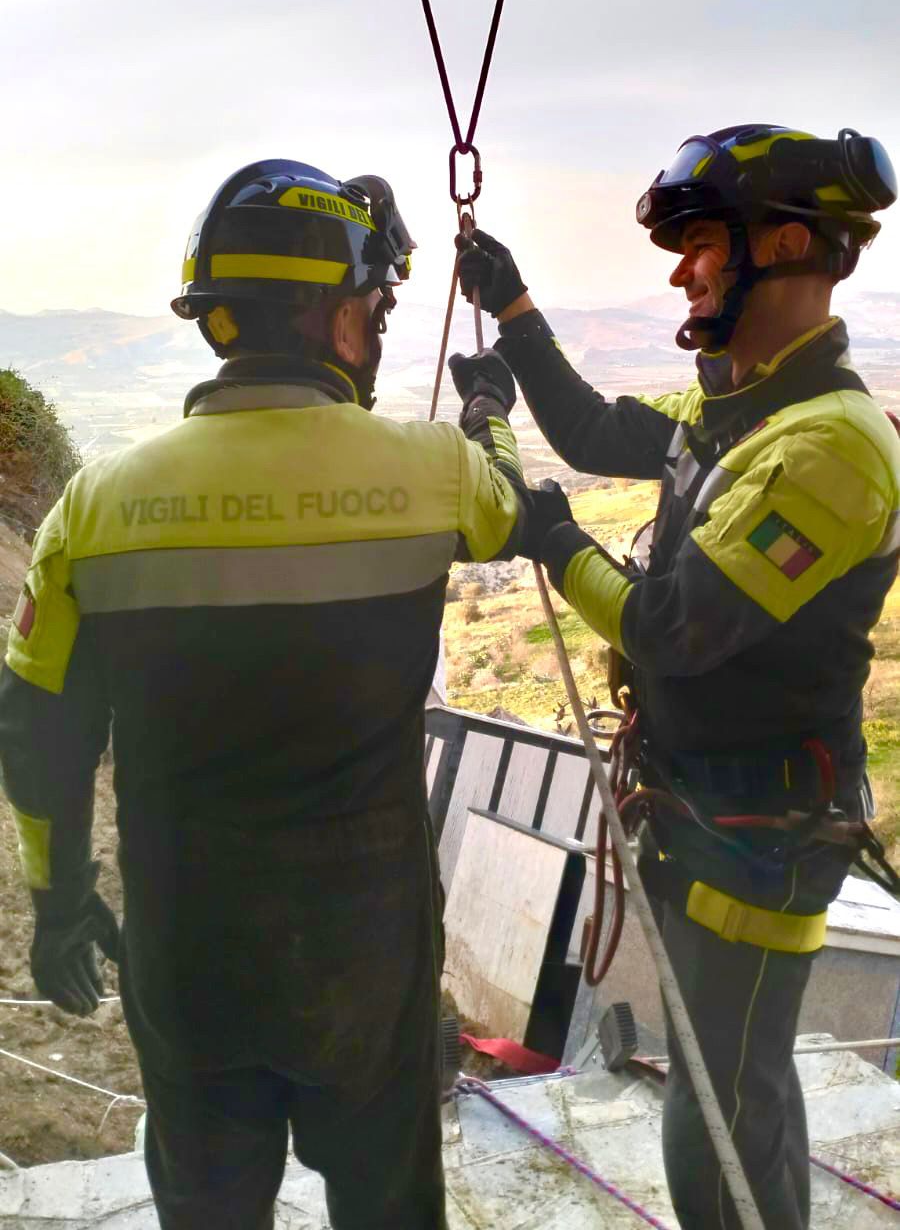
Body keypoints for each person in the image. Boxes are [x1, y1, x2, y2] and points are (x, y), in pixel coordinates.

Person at [0, 158, 539, 1230]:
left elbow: (39, 735)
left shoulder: (94, 506)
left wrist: (59, 900)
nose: (381, 330)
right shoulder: (429, 468)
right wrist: (488, 406)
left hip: (187, 939)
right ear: (333, 313)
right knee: (387, 1206)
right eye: (377, 306)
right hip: (367, 944)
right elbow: (507, 507)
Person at [457, 124, 900, 1230]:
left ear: (787, 244)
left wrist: (553, 541)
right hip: (713, 801)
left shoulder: (830, 446)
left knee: (718, 1104)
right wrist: (515, 314)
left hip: (762, 828)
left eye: (702, 243)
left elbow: (672, 629)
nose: (681, 267)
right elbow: (599, 425)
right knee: (736, 1082)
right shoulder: (746, 404)